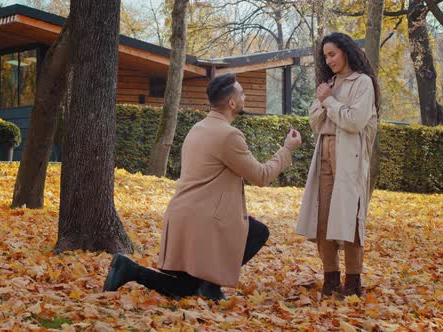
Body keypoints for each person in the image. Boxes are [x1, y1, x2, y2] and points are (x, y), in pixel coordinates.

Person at [103, 73, 302, 301]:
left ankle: (142, 273)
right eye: (243, 93)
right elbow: (261, 176)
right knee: (257, 233)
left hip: (181, 221)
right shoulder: (229, 135)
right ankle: (201, 283)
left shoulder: (198, 128)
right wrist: (288, 149)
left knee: (186, 287)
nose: (245, 97)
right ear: (232, 103)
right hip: (203, 226)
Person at [296, 32, 379, 297]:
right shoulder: (329, 83)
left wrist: (329, 101)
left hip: (349, 158)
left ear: (346, 51)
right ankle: (331, 280)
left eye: (332, 54)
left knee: (350, 220)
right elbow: (314, 121)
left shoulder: (362, 83)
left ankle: (353, 283)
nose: (329, 60)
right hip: (324, 154)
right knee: (323, 220)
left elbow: (355, 121)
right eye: (325, 56)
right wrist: (327, 101)